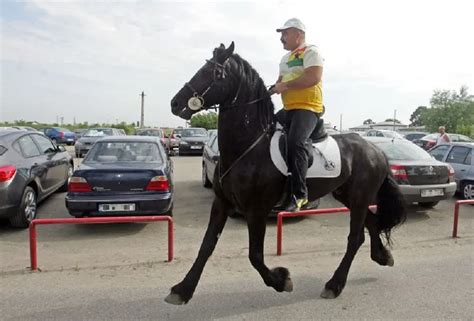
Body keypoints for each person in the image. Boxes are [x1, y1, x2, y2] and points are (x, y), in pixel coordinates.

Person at [270, 18, 324, 211]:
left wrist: (285, 85)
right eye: (281, 35)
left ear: (298, 34)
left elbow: (313, 77)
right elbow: (280, 81)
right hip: (289, 109)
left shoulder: (311, 51)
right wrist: (271, 89)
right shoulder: (284, 59)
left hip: (308, 108)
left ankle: (300, 195)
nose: (282, 38)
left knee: (295, 142)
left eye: (285, 34)